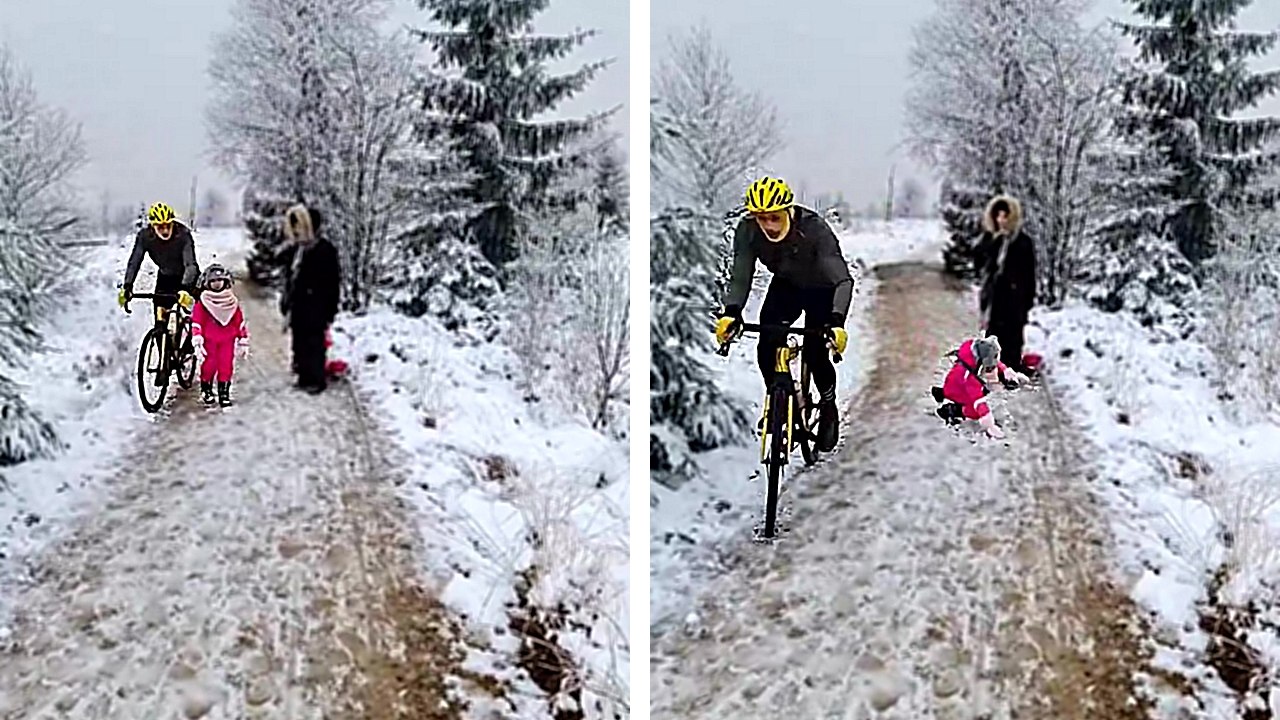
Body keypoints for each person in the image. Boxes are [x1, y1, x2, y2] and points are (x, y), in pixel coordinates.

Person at [715, 176, 854, 452]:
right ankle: (782, 401)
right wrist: (732, 311)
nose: (768, 225)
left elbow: (842, 281)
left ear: (788, 211)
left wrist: (836, 322)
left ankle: (828, 405)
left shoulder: (814, 230)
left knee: (816, 353)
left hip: (823, 290)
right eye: (761, 218)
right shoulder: (748, 230)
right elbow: (742, 273)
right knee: (766, 343)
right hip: (787, 286)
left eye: (774, 218)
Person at [278, 204, 341, 394]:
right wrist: (286, 301)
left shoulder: (324, 250)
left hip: (316, 306)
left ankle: (316, 378)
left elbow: (332, 282)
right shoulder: (297, 250)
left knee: (314, 342)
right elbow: (290, 278)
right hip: (299, 306)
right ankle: (304, 375)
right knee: (299, 341)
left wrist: (330, 308)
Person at [973, 194, 1037, 375]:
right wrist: (991, 242)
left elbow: (1029, 272)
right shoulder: (990, 239)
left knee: (1013, 334)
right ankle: (992, 366)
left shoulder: (1022, 242)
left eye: (1005, 216)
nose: (1001, 220)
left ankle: (1012, 367)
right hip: (994, 295)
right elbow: (980, 263)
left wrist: (1028, 298)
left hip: (1014, 296)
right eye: (998, 216)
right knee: (992, 332)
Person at [118, 202, 200, 328]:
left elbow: (190, 265)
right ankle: (162, 339)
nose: (166, 230)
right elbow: (135, 262)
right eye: (160, 227)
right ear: (153, 226)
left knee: (192, 317)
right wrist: (128, 286)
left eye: (168, 226)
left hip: (187, 277)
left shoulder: (183, 234)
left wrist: (185, 288)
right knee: (160, 317)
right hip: (165, 276)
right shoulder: (145, 237)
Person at [931, 335, 1029, 439]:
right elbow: (979, 402)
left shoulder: (977, 352)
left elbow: (994, 360)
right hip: (957, 390)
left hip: (959, 384)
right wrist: (990, 424)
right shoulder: (969, 378)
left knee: (985, 387)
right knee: (974, 412)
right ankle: (953, 410)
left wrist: (1006, 371)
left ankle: (945, 397)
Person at [190, 265, 250, 407]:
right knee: (209, 365)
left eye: (220, 280)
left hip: (227, 340)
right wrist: (197, 339)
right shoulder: (203, 303)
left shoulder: (232, 302)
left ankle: (224, 393)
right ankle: (207, 389)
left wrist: (243, 339)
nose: (217, 284)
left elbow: (238, 321)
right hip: (209, 340)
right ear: (207, 283)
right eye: (213, 281)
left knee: (226, 366)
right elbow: (197, 322)